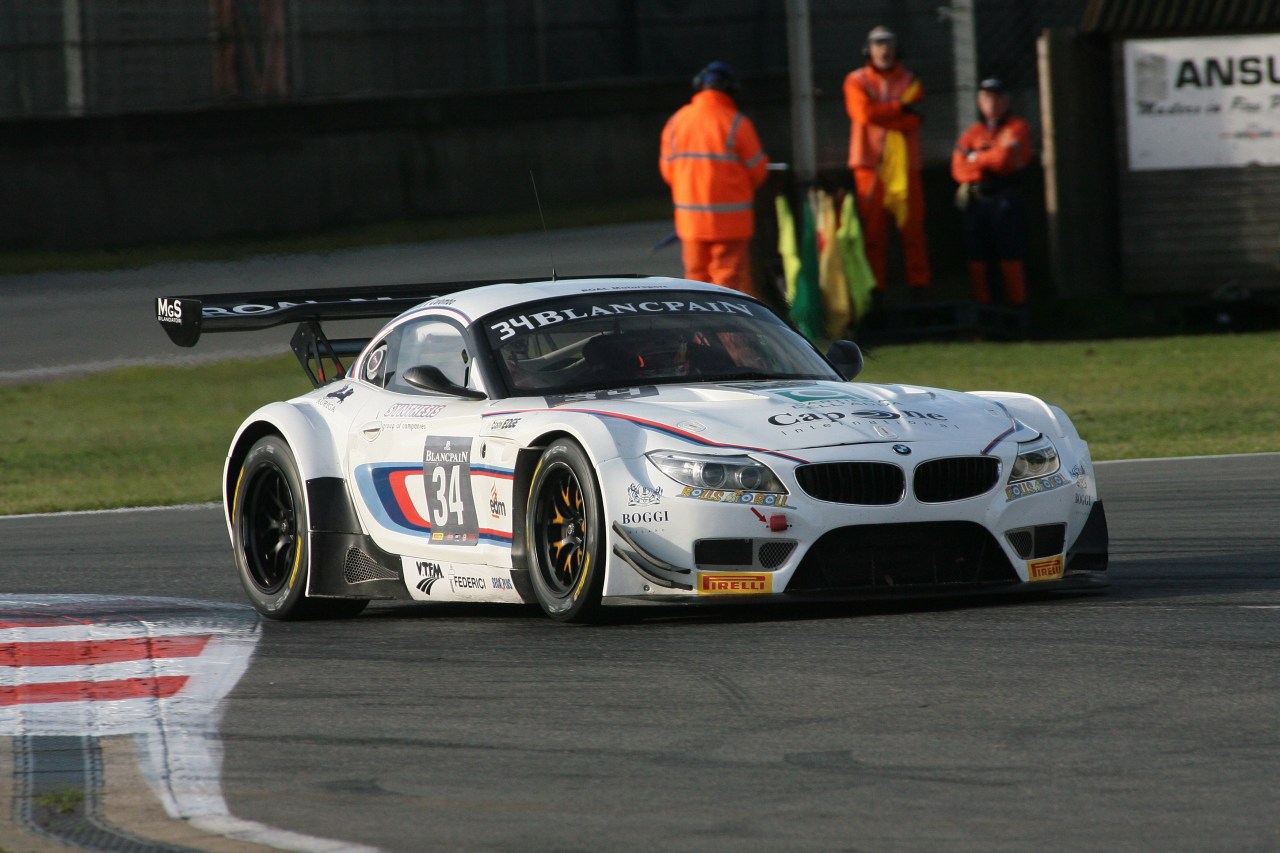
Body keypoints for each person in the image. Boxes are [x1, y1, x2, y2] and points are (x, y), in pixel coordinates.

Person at [660, 61, 770, 296]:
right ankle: (724, 333)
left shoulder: (676, 122)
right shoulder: (737, 123)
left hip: (691, 221)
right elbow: (758, 170)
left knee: (695, 279)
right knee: (726, 282)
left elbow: (668, 170)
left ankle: (698, 332)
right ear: (732, 90)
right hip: (731, 223)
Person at [844, 25, 931, 299]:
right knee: (874, 235)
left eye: (888, 43)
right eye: (878, 44)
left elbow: (914, 120)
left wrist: (888, 113)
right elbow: (864, 114)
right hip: (869, 166)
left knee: (913, 231)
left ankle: (919, 289)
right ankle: (875, 293)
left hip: (906, 167)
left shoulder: (910, 80)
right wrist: (898, 108)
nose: (884, 49)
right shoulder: (856, 80)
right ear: (868, 50)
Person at [951, 77, 1034, 306]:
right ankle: (985, 316)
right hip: (978, 201)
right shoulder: (972, 132)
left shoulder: (1016, 127)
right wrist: (984, 161)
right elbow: (959, 169)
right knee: (977, 258)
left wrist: (976, 158)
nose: (992, 102)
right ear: (979, 101)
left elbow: (1003, 160)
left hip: (1006, 198)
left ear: (1006, 100)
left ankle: (1018, 314)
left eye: (997, 97)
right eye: (986, 97)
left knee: (1010, 255)